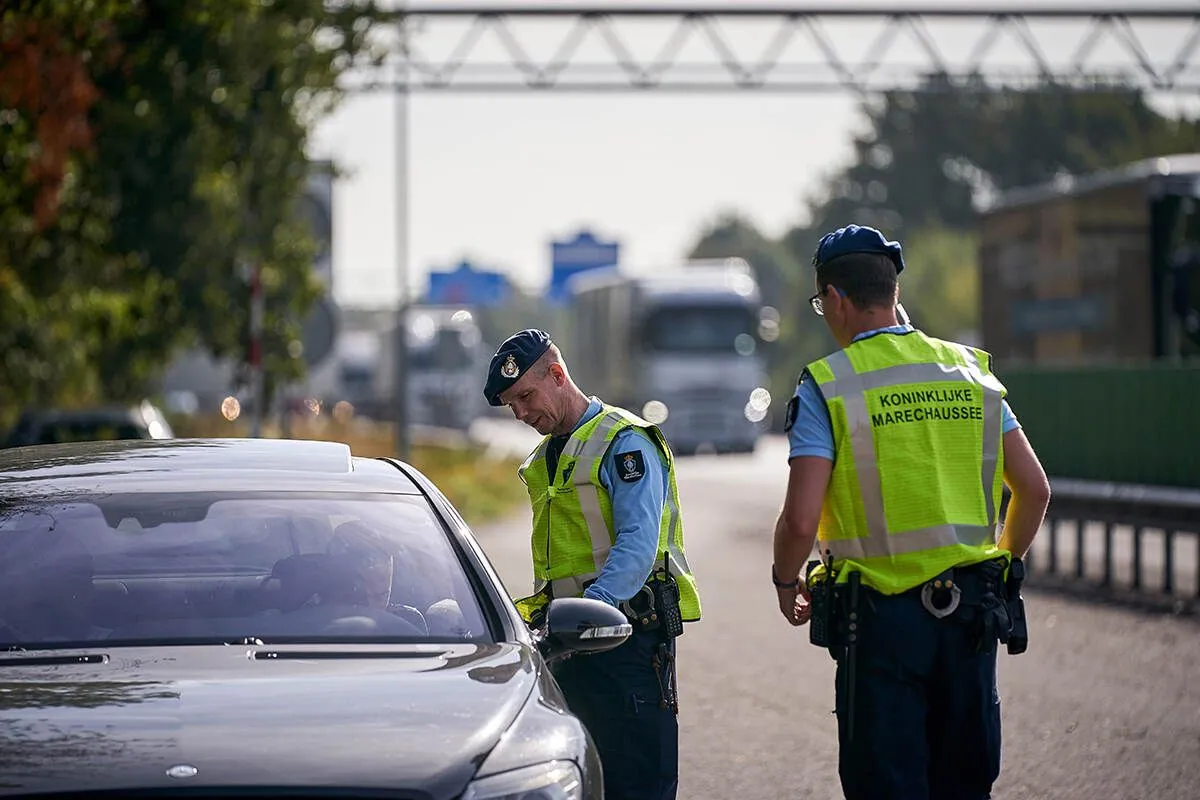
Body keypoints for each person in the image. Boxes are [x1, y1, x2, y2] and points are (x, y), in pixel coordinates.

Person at [770, 225, 1051, 800]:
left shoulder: (829, 386)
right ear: (893, 291)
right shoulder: (971, 371)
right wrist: (1001, 570)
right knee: (965, 785)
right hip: (972, 616)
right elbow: (1035, 489)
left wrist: (783, 578)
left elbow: (800, 520)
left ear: (837, 300)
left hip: (879, 627)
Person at [483, 328, 702, 800]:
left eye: (525, 396)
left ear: (557, 375)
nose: (520, 413)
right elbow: (559, 566)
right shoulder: (545, 457)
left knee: (636, 784)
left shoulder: (623, 442)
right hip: (570, 645)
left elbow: (638, 545)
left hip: (626, 641)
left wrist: (591, 609)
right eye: (510, 405)